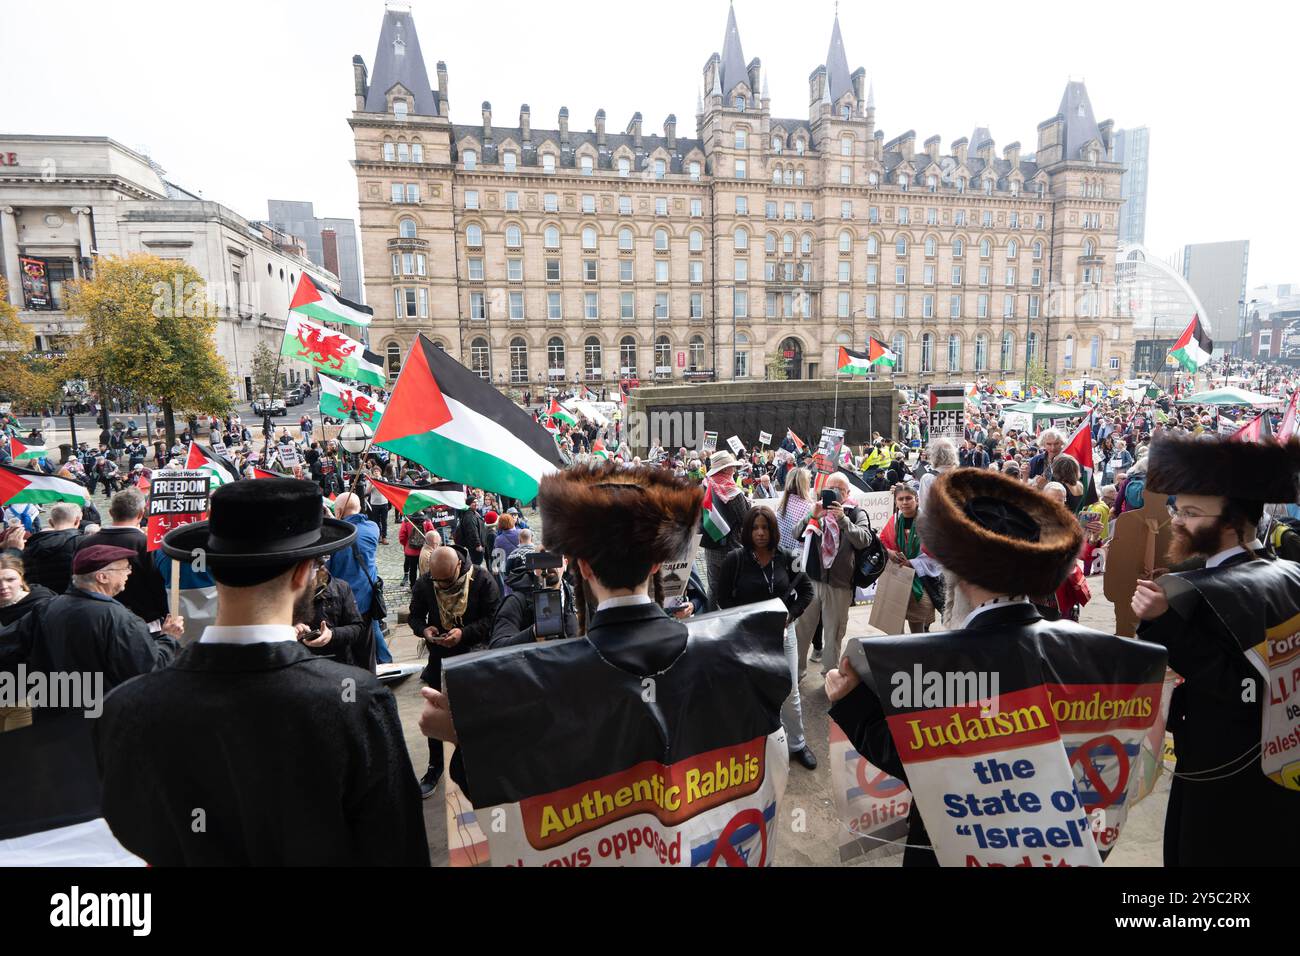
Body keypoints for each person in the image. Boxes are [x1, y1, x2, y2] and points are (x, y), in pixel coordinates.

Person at [826, 468, 1164, 866]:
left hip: (955, 845)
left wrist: (852, 703)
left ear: (958, 573)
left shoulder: (938, 660)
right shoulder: (1102, 653)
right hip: (1055, 847)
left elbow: (916, 760)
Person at [93, 478, 428, 865]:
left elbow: (134, 832)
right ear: (304, 573)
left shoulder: (125, 707)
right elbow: (397, 850)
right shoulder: (356, 702)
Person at [1131, 435, 1300, 866]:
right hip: (1279, 764)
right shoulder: (1290, 573)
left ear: (1230, 521)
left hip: (1223, 775)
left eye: (1190, 513)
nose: (1177, 522)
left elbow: (1243, 687)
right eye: (1177, 510)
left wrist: (1165, 621)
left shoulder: (1205, 592)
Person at [6, 545, 182, 721]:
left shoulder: (47, 607)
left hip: (53, 720)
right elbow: (147, 670)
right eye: (124, 568)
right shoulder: (119, 618)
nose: (129, 572)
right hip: (102, 719)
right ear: (102, 577)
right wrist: (169, 638)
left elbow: (11, 647)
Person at [716, 507, 816, 769]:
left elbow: (807, 592)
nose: (760, 533)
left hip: (784, 635)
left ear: (773, 530)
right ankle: (758, 746)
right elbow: (722, 598)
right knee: (753, 692)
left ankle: (797, 743)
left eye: (765, 527)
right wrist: (745, 622)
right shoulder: (734, 560)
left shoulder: (788, 557)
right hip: (748, 638)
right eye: (755, 528)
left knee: (791, 690)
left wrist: (789, 617)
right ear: (747, 531)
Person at [409, 544, 500, 798]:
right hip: (440, 657)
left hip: (474, 653)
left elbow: (494, 618)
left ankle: (480, 764)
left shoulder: (482, 579)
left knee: (477, 715)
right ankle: (434, 766)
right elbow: (415, 616)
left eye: (447, 581)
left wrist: (464, 633)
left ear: (459, 566)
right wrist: (425, 630)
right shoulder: (427, 582)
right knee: (436, 714)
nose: (443, 586)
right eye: (438, 581)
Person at [793, 472, 874, 677]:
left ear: (847, 493)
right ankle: (797, 670)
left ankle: (830, 675)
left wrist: (844, 521)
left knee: (834, 633)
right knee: (801, 630)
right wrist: (812, 516)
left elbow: (865, 540)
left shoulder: (856, 513)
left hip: (840, 585)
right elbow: (796, 534)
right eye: (831, 489)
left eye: (839, 490)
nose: (835, 493)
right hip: (812, 581)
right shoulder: (816, 509)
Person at [76, 489, 168, 629]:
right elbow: (159, 584)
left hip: (95, 621)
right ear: (141, 514)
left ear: (111, 513)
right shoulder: (148, 544)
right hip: (144, 622)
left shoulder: (85, 543)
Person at [328, 492, 392, 665]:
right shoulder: (372, 528)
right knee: (373, 627)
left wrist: (333, 522)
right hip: (368, 593)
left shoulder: (336, 539)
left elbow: (328, 569)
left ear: (340, 511)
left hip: (348, 599)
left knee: (356, 640)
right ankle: (386, 661)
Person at [0, 556, 55, 732]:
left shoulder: (42, 605)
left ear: (21, 578)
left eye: (10, 579)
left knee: (18, 754)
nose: (3, 586)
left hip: (23, 697)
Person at [293, 556, 372, 672]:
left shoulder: (340, 588)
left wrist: (332, 635)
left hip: (338, 664)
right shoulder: (288, 594)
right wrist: (292, 631)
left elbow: (357, 628)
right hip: (302, 667)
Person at [488, 548, 578, 648]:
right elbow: (497, 646)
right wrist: (533, 634)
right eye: (543, 559)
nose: (549, 565)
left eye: (554, 558)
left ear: (565, 564)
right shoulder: (517, 601)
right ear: (534, 566)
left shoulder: (576, 596)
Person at [878, 483, 935, 632]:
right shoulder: (894, 520)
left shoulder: (928, 522)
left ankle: (918, 655)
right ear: (896, 502)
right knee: (894, 627)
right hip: (897, 577)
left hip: (920, 581)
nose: (904, 502)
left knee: (917, 627)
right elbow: (882, 542)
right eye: (900, 499)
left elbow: (937, 554)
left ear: (916, 499)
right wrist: (889, 552)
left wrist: (912, 563)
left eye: (908, 498)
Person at [698, 451, 751, 604]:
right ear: (726, 470)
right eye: (732, 467)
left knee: (713, 588)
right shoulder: (733, 492)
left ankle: (709, 621)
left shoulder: (705, 486)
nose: (734, 470)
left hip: (710, 545)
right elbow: (745, 519)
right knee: (734, 588)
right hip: (732, 547)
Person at [20, 503, 82, 596]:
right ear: (77, 521)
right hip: (71, 600)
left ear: (50, 522)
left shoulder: (31, 545)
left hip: (40, 600)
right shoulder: (83, 543)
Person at [454, 494, 490, 567]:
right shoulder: (469, 516)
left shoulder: (473, 513)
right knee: (476, 564)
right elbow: (472, 532)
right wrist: (478, 545)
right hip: (475, 546)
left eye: (476, 502)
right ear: (469, 504)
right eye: (473, 502)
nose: (476, 503)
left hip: (477, 545)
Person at [365, 467, 390, 544]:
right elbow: (367, 492)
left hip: (384, 502)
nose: (376, 472)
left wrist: (379, 482)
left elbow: (386, 489)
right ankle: (378, 535)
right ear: (373, 473)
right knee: (376, 521)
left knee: (384, 520)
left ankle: (384, 537)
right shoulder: (370, 481)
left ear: (380, 472)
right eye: (374, 471)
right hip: (374, 503)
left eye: (377, 471)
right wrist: (372, 483)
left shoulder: (384, 479)